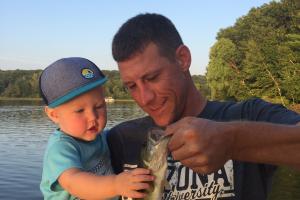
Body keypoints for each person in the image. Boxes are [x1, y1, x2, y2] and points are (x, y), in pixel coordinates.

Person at [107, 13, 300, 200]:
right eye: (131, 86)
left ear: (183, 59)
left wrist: (232, 141)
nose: (144, 98)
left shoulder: (250, 115)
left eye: (152, 78)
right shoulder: (120, 139)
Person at [39, 57, 154, 200]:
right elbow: (74, 182)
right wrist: (117, 184)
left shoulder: (101, 137)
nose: (92, 116)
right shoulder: (61, 148)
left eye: (99, 106)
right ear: (54, 114)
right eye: (80, 111)